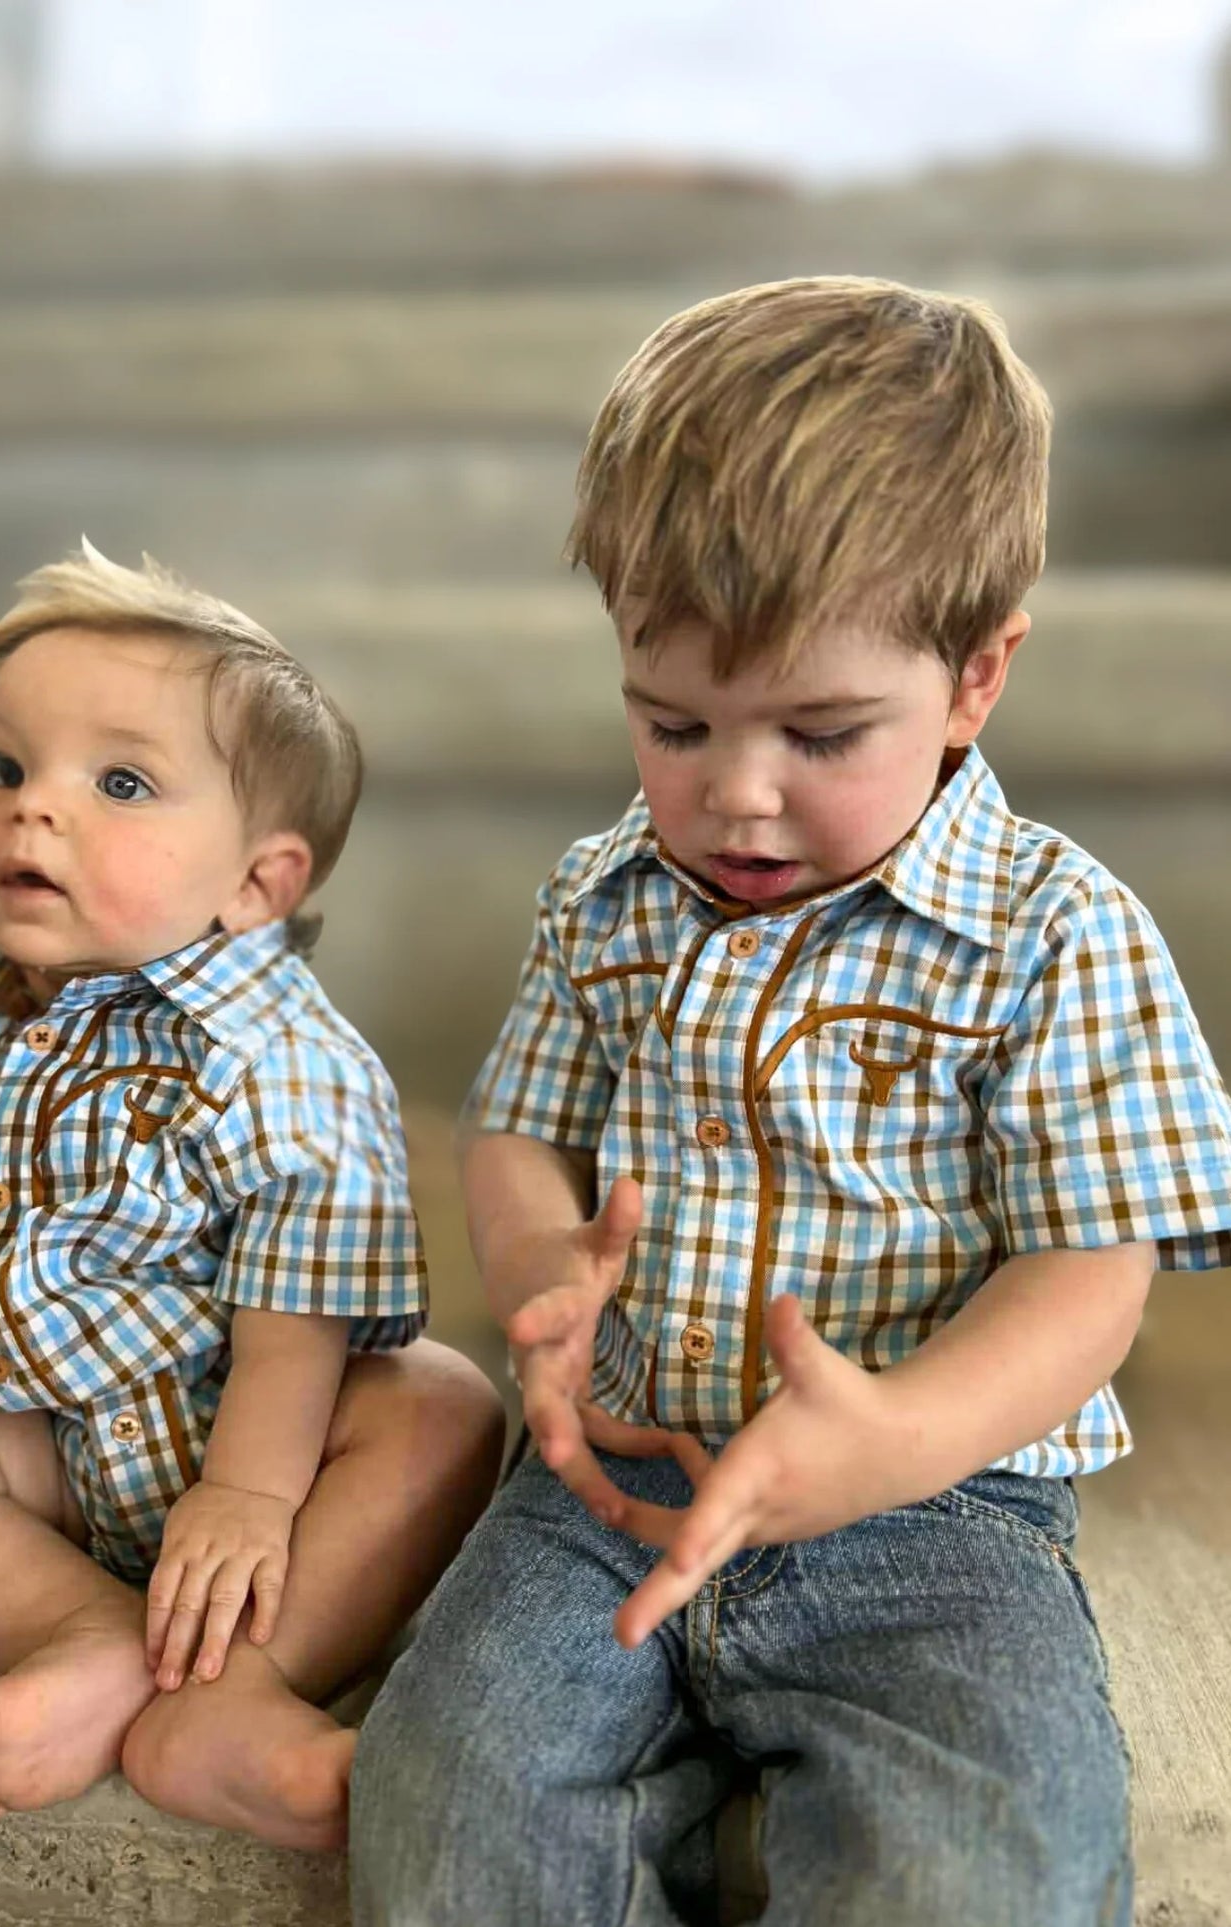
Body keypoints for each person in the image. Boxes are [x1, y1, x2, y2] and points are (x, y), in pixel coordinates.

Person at [349, 277, 1231, 1926]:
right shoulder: (606, 899)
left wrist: (895, 1436)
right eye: (671, 721)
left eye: (819, 733)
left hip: (935, 1506)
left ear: (975, 679)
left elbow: (1090, 1273)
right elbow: (520, 1128)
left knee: (988, 1861)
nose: (732, 796)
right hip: (608, 1480)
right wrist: (543, 1273)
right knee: (446, 1803)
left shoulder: (1052, 933)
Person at [0, 543, 504, 1850]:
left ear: (256, 885)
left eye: (119, 782)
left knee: (445, 1411)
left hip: (246, 1420)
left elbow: (301, 1294)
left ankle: (234, 1693)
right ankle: (88, 1637)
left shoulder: (273, 1051)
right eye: (2, 770)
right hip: (51, 1439)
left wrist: (241, 1494)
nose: (33, 811)